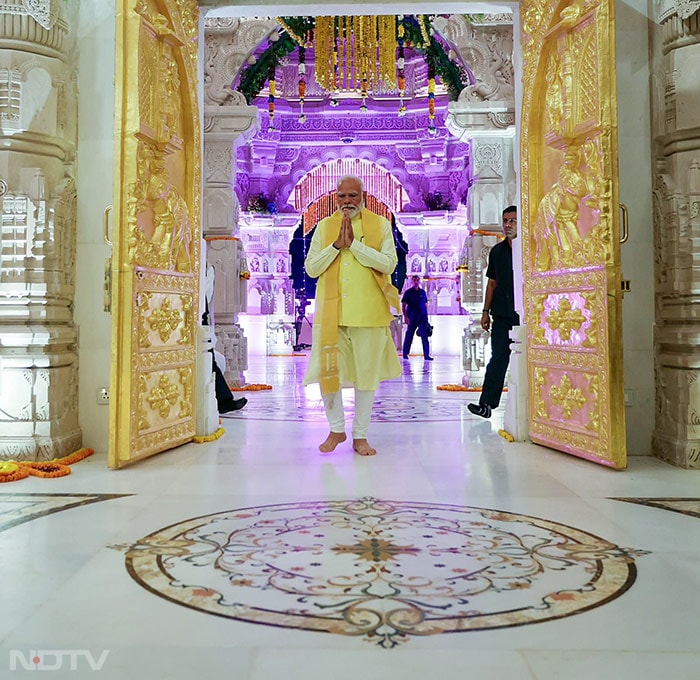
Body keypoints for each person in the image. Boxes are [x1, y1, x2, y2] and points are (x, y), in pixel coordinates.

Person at [303, 175, 401, 456]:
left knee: (366, 377)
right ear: (336, 198)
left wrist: (354, 246)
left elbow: (389, 263)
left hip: (369, 314)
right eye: (342, 196)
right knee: (328, 373)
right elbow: (311, 269)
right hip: (331, 315)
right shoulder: (324, 227)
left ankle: (360, 436)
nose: (347, 202)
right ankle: (336, 429)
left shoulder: (380, 224)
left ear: (363, 196)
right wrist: (336, 246)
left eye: (353, 196)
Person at [468, 206, 520, 419]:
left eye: (513, 221)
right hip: (501, 314)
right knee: (498, 358)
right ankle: (487, 404)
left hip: (523, 315)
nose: (508, 225)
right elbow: (492, 283)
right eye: (505, 220)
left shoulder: (527, 249)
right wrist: (485, 311)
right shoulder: (497, 252)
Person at [203, 265, 247, 415]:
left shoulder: (207, 267)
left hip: (200, 316)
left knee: (210, 358)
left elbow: (206, 295)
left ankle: (223, 400)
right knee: (209, 358)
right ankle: (223, 401)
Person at [401, 275, 433, 360]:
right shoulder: (408, 292)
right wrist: (406, 317)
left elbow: (425, 305)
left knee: (424, 336)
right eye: (414, 280)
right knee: (409, 336)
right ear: (412, 281)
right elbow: (403, 306)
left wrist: (426, 319)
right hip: (412, 317)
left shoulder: (422, 292)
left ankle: (426, 355)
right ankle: (405, 354)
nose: (416, 282)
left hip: (422, 318)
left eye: (417, 280)